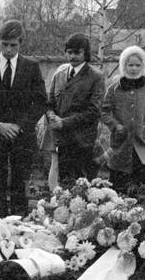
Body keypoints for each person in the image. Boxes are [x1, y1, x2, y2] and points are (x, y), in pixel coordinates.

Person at [0, 20, 48, 216]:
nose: (8, 49)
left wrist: (20, 125)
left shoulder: (31, 67)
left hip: (21, 137)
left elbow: (40, 101)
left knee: (20, 184)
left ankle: (19, 226)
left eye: (13, 45)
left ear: (21, 43)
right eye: (4, 44)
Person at [101, 46, 145, 194]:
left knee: (139, 189)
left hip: (141, 144)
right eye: (130, 65)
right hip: (120, 146)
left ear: (143, 66)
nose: (134, 69)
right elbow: (103, 111)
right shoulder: (114, 88)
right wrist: (115, 126)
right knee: (117, 190)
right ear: (123, 66)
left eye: (138, 65)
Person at [45, 32, 106, 183]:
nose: (73, 56)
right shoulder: (59, 75)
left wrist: (64, 122)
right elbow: (50, 103)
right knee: (65, 186)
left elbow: (94, 111)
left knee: (84, 186)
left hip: (83, 141)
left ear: (85, 53)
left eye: (77, 52)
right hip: (63, 140)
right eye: (69, 52)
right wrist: (51, 115)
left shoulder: (95, 77)